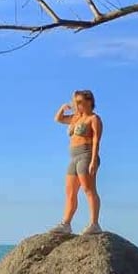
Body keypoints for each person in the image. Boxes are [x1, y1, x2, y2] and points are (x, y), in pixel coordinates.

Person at [50, 89, 103, 235]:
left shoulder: (94, 119)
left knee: (88, 189)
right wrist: (63, 107)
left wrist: (93, 160)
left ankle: (94, 223)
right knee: (70, 192)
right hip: (73, 157)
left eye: (80, 102)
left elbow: (96, 141)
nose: (77, 105)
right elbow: (58, 119)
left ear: (89, 101)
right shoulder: (76, 118)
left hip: (86, 155)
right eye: (76, 102)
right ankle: (66, 223)